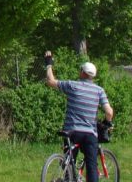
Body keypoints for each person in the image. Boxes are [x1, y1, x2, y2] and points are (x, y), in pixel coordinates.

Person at [44, 50, 114, 182]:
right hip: (89, 133)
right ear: (92, 76)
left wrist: (49, 64)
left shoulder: (72, 86)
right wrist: (107, 123)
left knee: (69, 164)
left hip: (71, 131)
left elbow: (50, 81)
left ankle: (68, 177)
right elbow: (109, 112)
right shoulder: (99, 91)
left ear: (82, 72)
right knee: (92, 166)